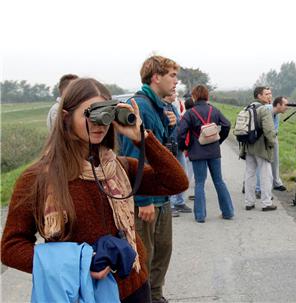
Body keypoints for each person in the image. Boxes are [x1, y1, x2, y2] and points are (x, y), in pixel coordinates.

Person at [1, 78, 188, 303]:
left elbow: (177, 182)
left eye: (105, 113)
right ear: (65, 118)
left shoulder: (118, 167)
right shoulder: (38, 178)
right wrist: (78, 263)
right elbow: (11, 248)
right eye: (91, 113)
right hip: (81, 291)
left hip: (134, 285)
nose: (100, 123)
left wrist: (142, 138)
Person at [118, 55, 181, 303]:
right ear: (156, 77)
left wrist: (172, 125)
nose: (176, 82)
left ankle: (156, 295)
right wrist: (143, 199)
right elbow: (134, 153)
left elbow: (164, 149)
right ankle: (145, 298)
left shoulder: (160, 106)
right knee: (144, 256)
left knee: (163, 252)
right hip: (147, 197)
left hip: (162, 193)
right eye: (172, 76)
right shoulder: (140, 106)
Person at [178, 85, 234, 223]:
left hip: (197, 152)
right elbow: (227, 124)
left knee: (200, 183)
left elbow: (180, 132)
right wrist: (219, 140)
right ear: (207, 96)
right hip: (214, 151)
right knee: (219, 181)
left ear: (194, 96)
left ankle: (200, 216)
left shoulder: (190, 113)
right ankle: (228, 212)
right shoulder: (214, 110)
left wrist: (185, 146)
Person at [241, 86, 277, 211]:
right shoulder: (264, 110)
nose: (269, 96)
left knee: (250, 173)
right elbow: (269, 130)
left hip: (248, 145)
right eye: (266, 94)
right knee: (266, 174)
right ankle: (266, 203)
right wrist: (272, 143)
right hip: (261, 147)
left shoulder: (247, 107)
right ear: (259, 96)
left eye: (270, 93)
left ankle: (249, 202)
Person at [163, 93, 193, 217]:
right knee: (171, 177)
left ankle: (179, 202)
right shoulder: (163, 108)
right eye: (172, 92)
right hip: (169, 147)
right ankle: (170, 205)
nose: (175, 94)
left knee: (183, 174)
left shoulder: (173, 107)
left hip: (178, 146)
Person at [270, 96, 289, 191]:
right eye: (285, 105)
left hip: (273, 136)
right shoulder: (267, 112)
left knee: (275, 160)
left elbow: (275, 129)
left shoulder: (277, 114)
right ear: (278, 105)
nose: (287, 107)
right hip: (263, 138)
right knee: (261, 163)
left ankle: (276, 182)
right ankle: (256, 187)